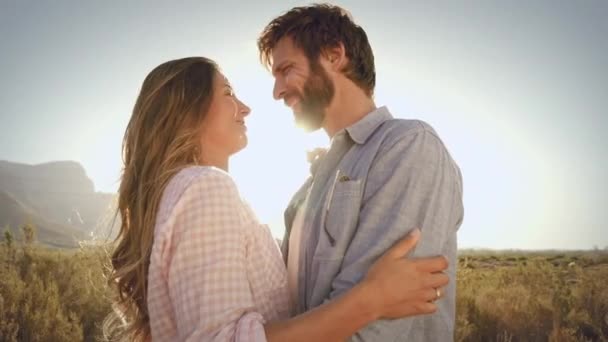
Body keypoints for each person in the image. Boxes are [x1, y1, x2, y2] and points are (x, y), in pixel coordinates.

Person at [104, 57, 450, 341]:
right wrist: (372, 299)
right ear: (186, 111)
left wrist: (325, 179)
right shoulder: (206, 188)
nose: (245, 107)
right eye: (227, 93)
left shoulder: (183, 193)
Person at [258, 4, 464, 341]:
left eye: (286, 69)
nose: (277, 91)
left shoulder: (409, 146)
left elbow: (375, 332)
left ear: (334, 55)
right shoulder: (312, 183)